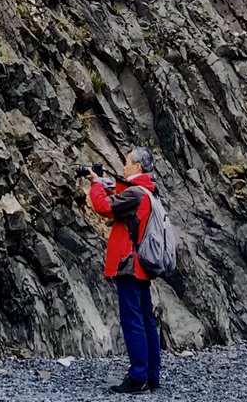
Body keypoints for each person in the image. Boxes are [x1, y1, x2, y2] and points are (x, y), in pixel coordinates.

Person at [88, 147, 164, 394]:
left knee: (133, 321)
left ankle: (138, 377)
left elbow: (103, 207)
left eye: (127, 162)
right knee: (146, 320)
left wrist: (97, 184)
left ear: (138, 167)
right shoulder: (146, 192)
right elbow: (120, 198)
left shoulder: (135, 195)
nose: (123, 166)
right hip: (141, 266)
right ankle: (151, 376)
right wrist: (104, 183)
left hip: (129, 264)